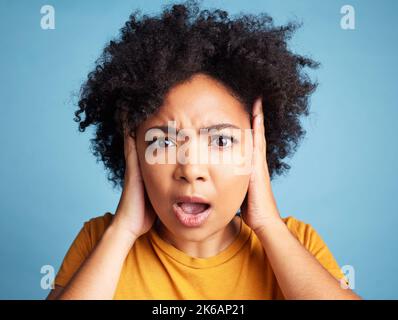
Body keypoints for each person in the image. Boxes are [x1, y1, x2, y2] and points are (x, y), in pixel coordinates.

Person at [46, 0, 361, 300]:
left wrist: (268, 225)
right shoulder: (101, 239)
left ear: (256, 150)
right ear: (133, 150)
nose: (191, 170)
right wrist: (123, 231)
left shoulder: (296, 242)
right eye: (164, 142)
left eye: (222, 141)